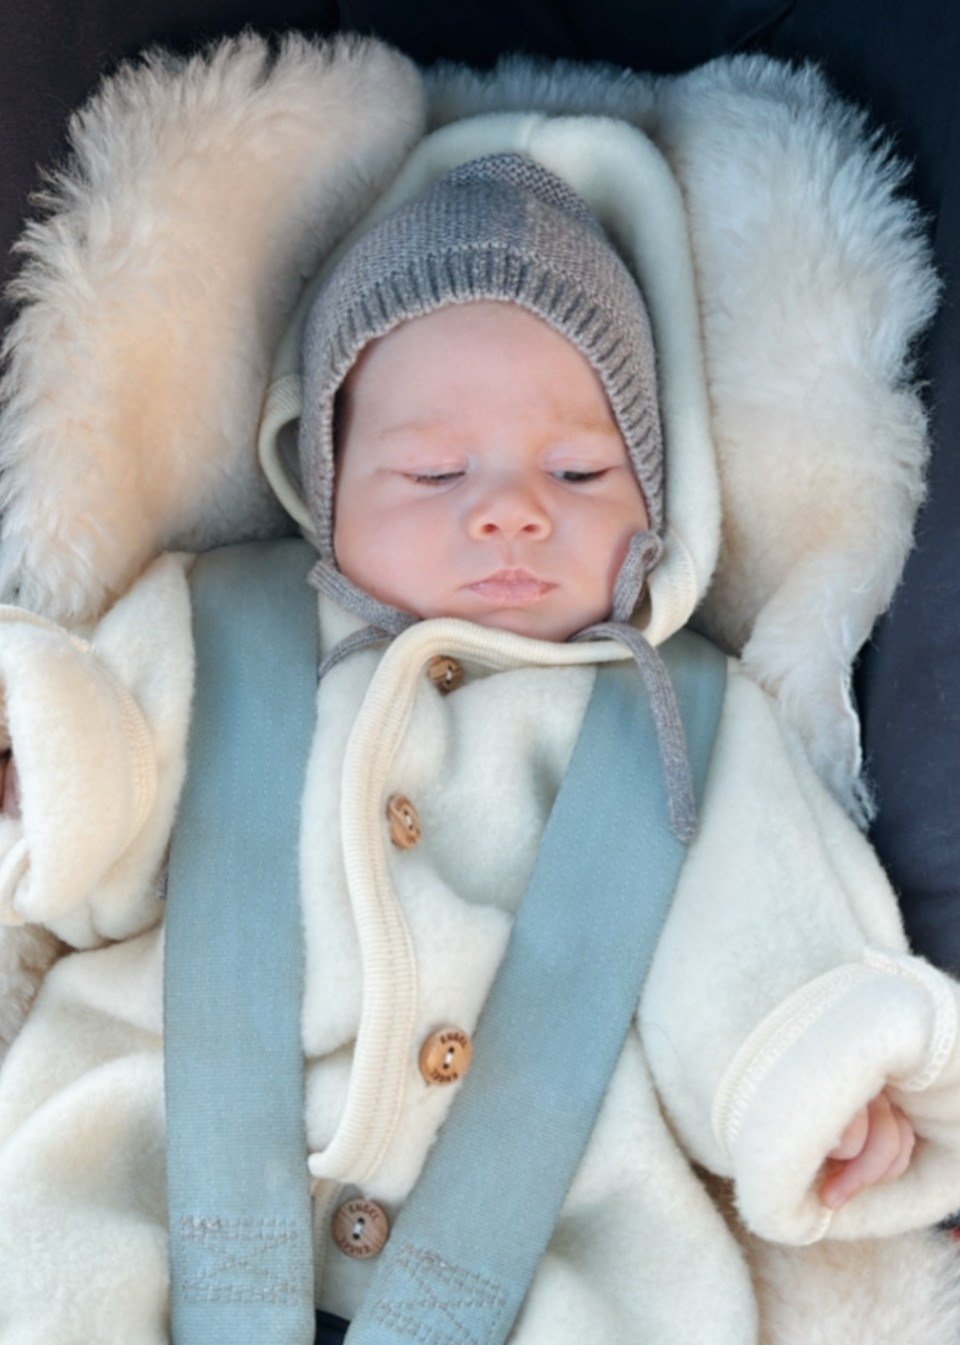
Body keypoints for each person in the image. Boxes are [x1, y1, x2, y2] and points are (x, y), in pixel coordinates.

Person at [0, 150, 956, 1345]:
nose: (510, 508)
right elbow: (104, 787)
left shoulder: (687, 725)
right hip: (166, 1123)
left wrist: (822, 1082)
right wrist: (38, 751)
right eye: (435, 469)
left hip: (546, 1213)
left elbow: (762, 934)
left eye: (578, 470)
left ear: (657, 504)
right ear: (324, 476)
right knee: (52, 1241)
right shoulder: (213, 622)